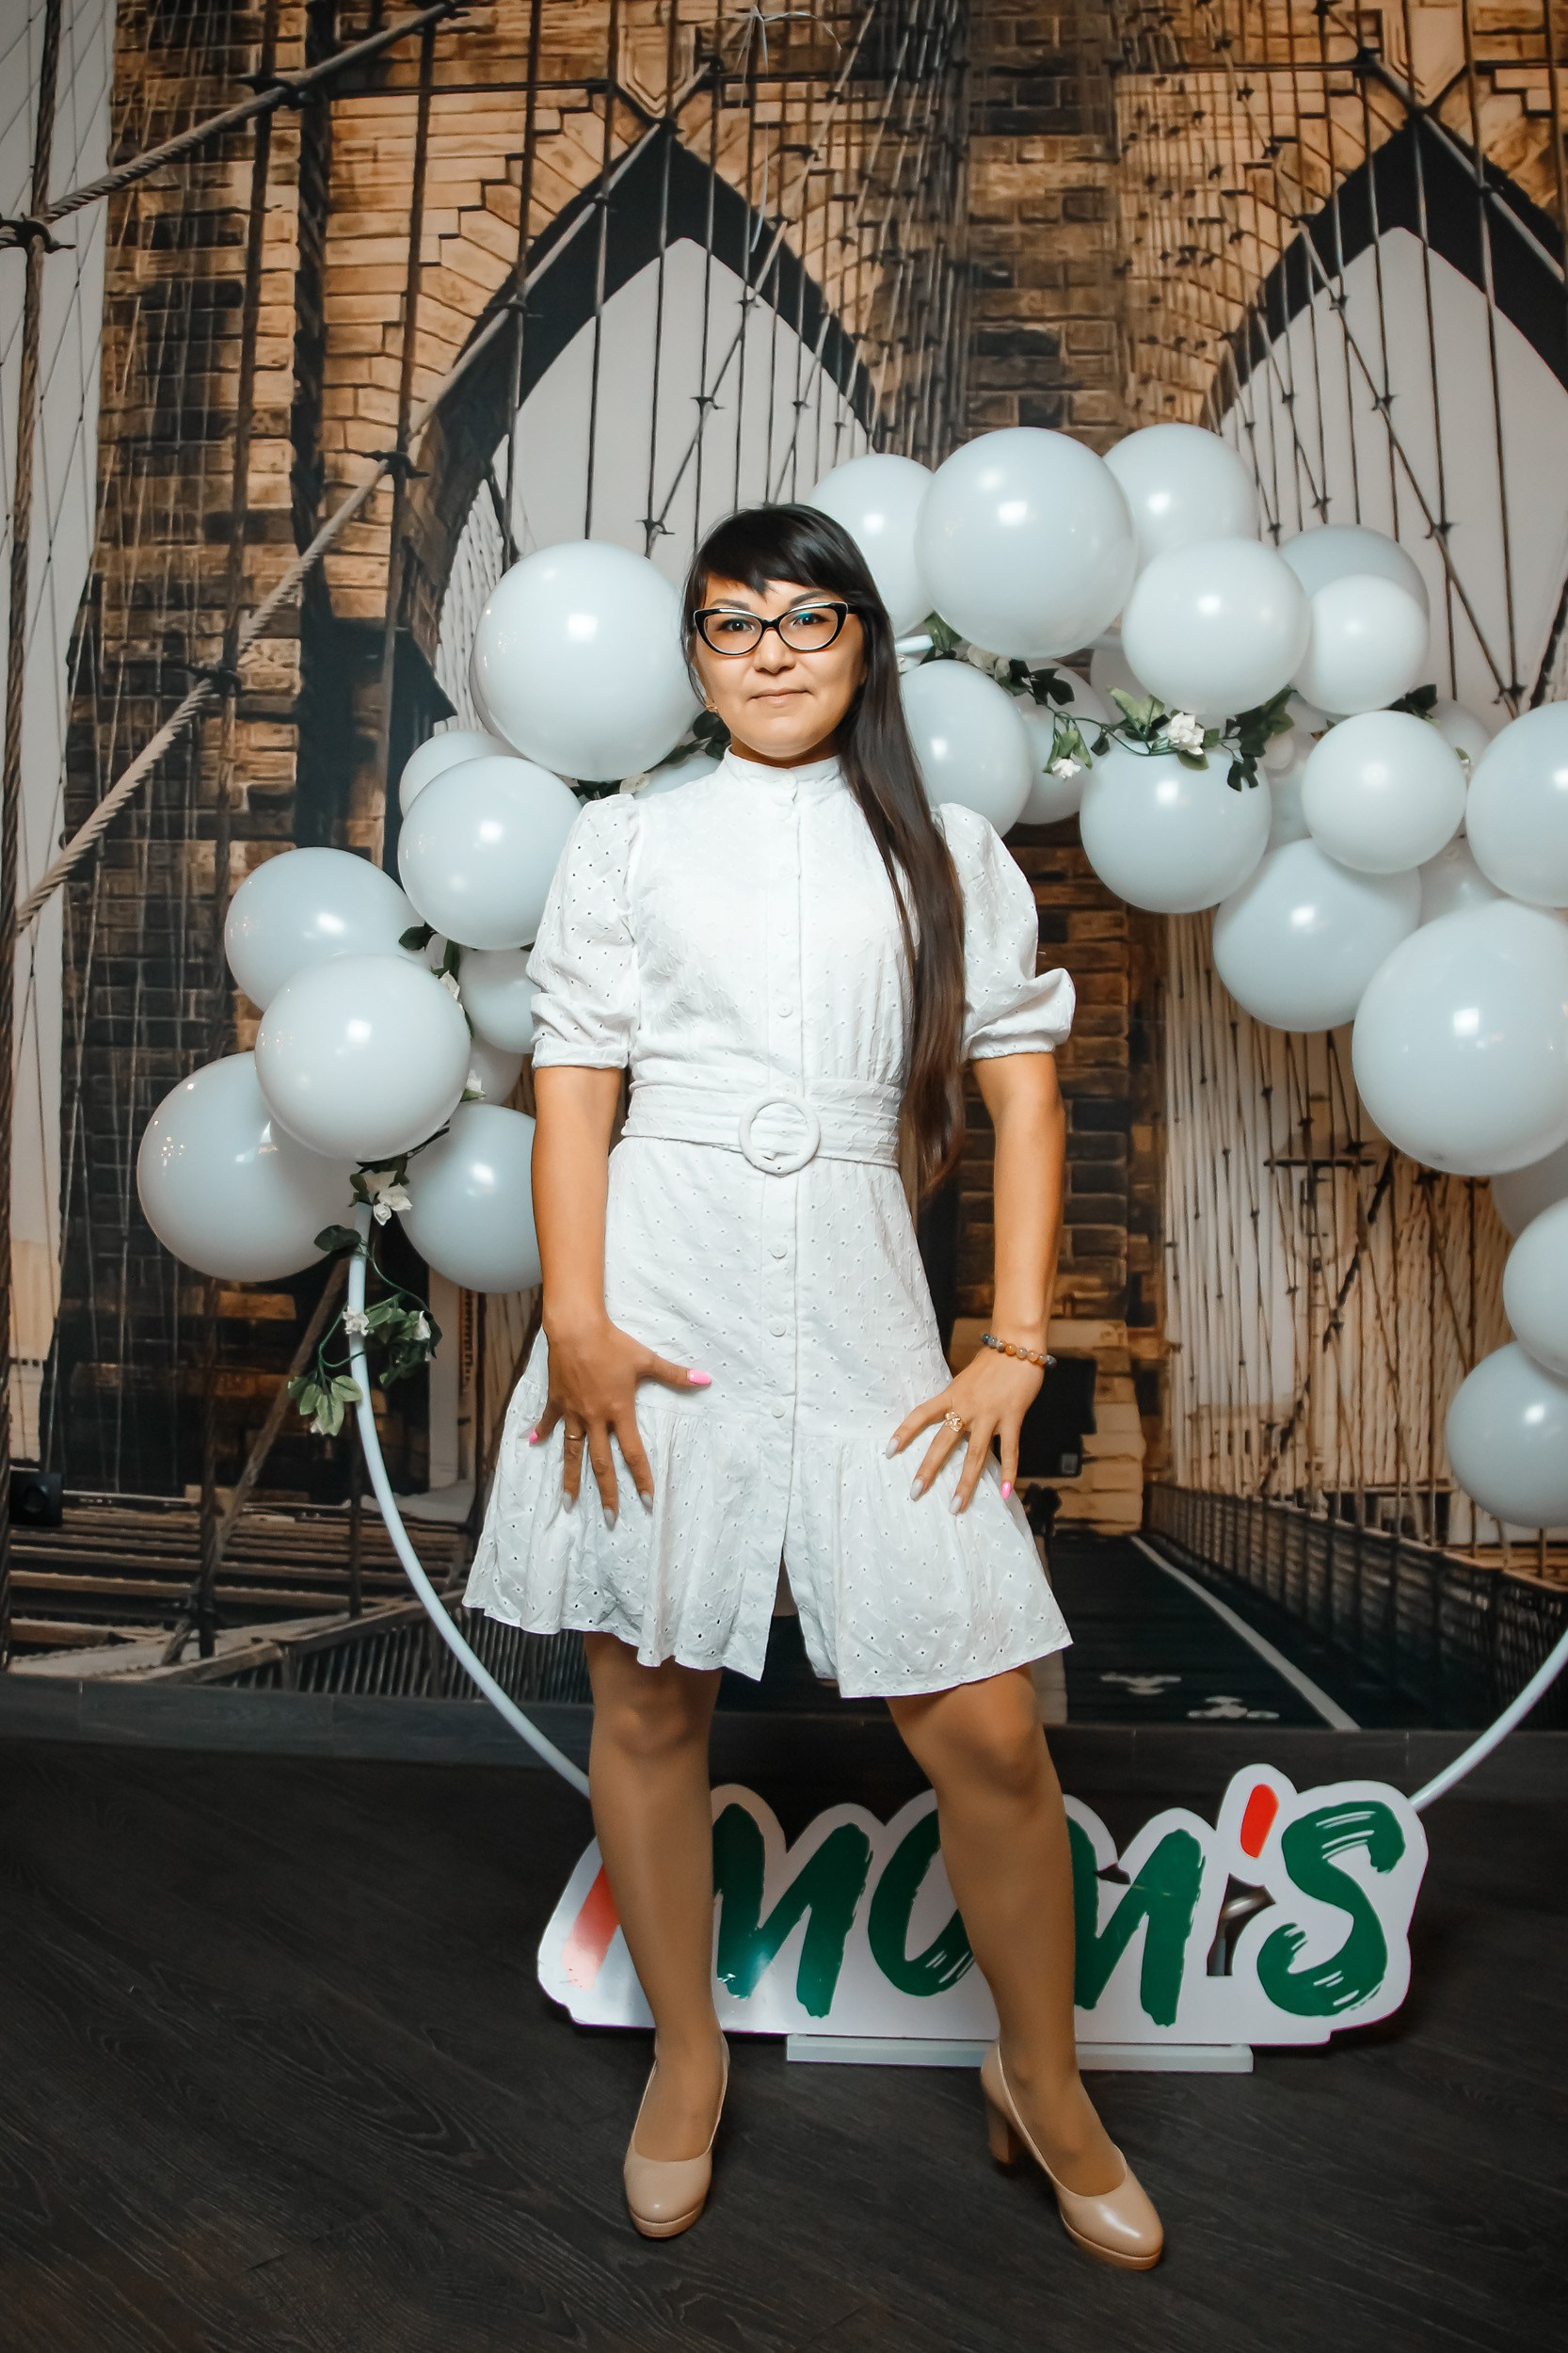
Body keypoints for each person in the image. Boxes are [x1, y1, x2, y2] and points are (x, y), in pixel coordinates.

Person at [463, 504, 1163, 2269]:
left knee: (988, 1728)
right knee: (646, 1704)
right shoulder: (626, 838)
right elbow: (573, 1084)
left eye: (805, 617)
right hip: (659, 1285)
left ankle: (1041, 2080)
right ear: (694, 659)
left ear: (862, 641)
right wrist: (575, 1320)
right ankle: (686, 2059)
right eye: (730, 622)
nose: (768, 650)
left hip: (860, 1302)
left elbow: (1020, 1091)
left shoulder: (948, 848)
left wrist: (1014, 1342)